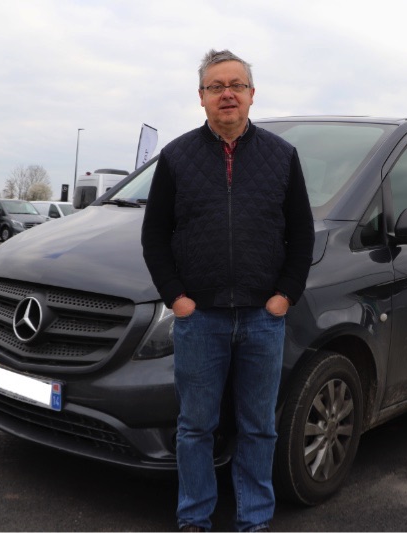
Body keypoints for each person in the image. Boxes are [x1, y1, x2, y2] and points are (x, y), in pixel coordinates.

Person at [141, 49, 315, 532]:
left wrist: (285, 295)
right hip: (200, 320)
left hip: (264, 317)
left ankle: (253, 520)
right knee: (195, 428)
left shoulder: (282, 156)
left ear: (251, 95)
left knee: (259, 428)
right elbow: (154, 237)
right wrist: (177, 298)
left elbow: (301, 234)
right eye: (216, 87)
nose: (227, 94)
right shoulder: (176, 157)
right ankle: (194, 518)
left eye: (236, 85)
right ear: (201, 98)